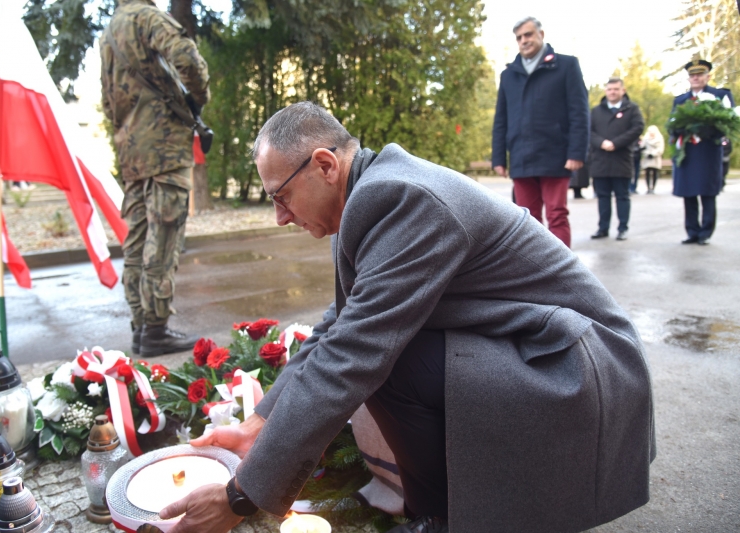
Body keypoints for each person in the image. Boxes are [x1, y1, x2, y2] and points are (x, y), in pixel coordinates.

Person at [158, 102, 655, 533]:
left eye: (280, 196)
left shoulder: (397, 197)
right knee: (389, 348)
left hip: (579, 369)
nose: (280, 217)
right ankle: (441, 512)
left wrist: (239, 497)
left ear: (326, 164)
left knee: (388, 358)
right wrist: (259, 424)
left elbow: (352, 354)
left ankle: (443, 517)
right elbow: (338, 326)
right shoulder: (374, 192)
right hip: (539, 349)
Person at [100, 0, 210, 356]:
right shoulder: (146, 17)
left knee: (137, 239)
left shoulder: (109, 32)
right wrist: (198, 96)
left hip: (131, 150)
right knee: (162, 236)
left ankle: (140, 327)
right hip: (163, 145)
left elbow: (107, 99)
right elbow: (187, 58)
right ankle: (157, 330)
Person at [492, 16, 589, 248]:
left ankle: (562, 272)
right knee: (527, 219)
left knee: (557, 215)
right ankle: (535, 273)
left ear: (541, 35)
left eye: (528, 35)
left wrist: (577, 152)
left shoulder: (566, 65)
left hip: (556, 155)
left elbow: (579, 112)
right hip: (521, 157)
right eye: (519, 38)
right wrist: (498, 158)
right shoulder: (509, 75)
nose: (524, 41)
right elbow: (501, 119)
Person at [670, 59, 735, 245]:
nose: (696, 78)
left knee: (707, 192)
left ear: (708, 76)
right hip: (687, 152)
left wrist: (706, 130)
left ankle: (705, 232)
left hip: (708, 152)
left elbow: (728, 122)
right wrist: (680, 129)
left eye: (700, 74)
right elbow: (672, 125)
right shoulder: (680, 100)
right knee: (689, 192)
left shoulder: (719, 96)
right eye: (692, 75)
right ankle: (692, 231)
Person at [589, 78, 644, 241]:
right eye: (609, 89)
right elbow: (588, 131)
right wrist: (602, 143)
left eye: (615, 89)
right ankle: (603, 228)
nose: (612, 92)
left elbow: (637, 128)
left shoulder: (632, 109)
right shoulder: (596, 110)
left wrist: (616, 143)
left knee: (622, 196)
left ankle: (622, 228)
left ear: (623, 90)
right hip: (600, 160)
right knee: (603, 196)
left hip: (622, 158)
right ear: (606, 91)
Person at [640, 126, 664, 193]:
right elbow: (642, 147)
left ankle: (653, 188)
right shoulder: (645, 138)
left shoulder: (659, 138)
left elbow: (660, 148)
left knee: (655, 173)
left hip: (655, 158)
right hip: (647, 157)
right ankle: (648, 188)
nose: (651, 133)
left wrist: (653, 154)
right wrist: (646, 153)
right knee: (647, 172)